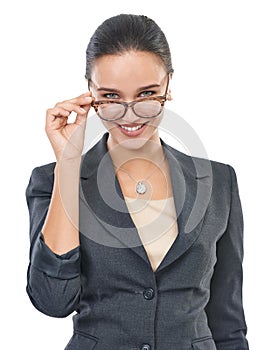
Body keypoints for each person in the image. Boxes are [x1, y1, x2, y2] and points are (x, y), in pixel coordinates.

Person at [25, 14, 250, 350]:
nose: (129, 115)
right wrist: (69, 165)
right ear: (90, 92)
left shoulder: (219, 182)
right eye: (111, 98)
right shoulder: (52, 180)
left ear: (168, 85)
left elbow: (227, 321)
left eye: (147, 94)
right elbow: (53, 300)